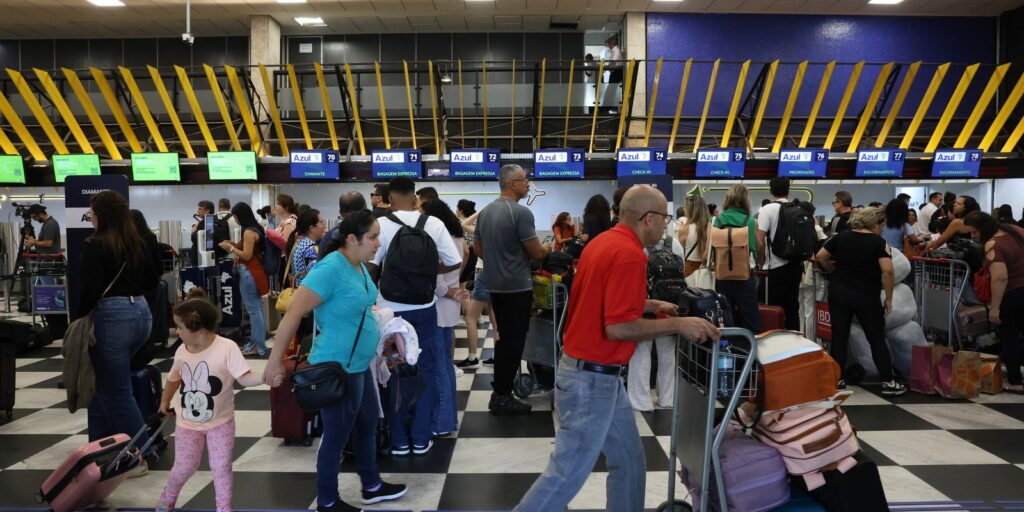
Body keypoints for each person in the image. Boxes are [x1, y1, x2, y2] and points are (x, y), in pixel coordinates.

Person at [514, 185, 719, 511]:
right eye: (665, 219)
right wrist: (680, 325)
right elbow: (619, 327)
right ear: (647, 218)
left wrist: (650, 304)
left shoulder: (604, 243)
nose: (667, 225)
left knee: (629, 460)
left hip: (599, 378)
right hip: (590, 381)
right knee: (566, 475)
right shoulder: (628, 255)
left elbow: (604, 300)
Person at [264, 210, 407, 512]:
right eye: (373, 237)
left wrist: (386, 338)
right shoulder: (330, 269)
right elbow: (292, 313)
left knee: (367, 424)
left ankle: (371, 485)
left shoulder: (358, 266)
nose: (378, 243)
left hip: (359, 365)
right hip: (338, 368)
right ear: (352, 239)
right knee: (336, 437)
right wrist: (275, 362)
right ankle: (327, 500)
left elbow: (364, 308)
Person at [369, 177, 462, 454]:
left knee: (395, 371)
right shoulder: (433, 224)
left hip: (391, 311)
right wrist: (427, 273)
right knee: (427, 369)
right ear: (414, 198)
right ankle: (421, 437)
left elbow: (372, 267)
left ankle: (398, 440)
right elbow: (454, 261)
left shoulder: (382, 226)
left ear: (391, 199)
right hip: (424, 309)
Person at [155, 298, 265, 512]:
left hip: (221, 423)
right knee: (184, 468)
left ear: (196, 327)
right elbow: (173, 379)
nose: (176, 332)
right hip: (187, 423)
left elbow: (245, 378)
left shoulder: (227, 348)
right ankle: (168, 498)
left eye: (179, 327)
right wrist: (165, 401)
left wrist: (266, 377)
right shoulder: (182, 351)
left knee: (221, 467)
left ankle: (224, 508)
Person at [75, 191, 158, 465]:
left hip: (112, 318)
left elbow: (88, 290)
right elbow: (153, 280)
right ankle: (100, 445)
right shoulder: (137, 243)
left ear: (100, 215)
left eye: (91, 214)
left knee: (118, 391)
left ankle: (142, 452)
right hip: (141, 314)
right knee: (104, 385)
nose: (90, 219)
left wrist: (78, 321)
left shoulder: (95, 244)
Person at [475, 164, 549, 415]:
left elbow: (478, 249)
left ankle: (501, 391)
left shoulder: (485, 213)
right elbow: (537, 253)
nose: (528, 184)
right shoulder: (521, 213)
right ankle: (502, 396)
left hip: (496, 285)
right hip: (517, 286)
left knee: (504, 338)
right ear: (511, 184)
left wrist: (497, 261)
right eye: (525, 180)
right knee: (513, 342)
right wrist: (550, 249)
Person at [815, 207, 906, 396]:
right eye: (881, 225)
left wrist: (833, 272)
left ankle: (837, 380)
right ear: (874, 224)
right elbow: (888, 270)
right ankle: (888, 382)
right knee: (876, 337)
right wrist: (888, 298)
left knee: (839, 335)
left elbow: (821, 256)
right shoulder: (878, 242)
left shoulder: (841, 237)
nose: (882, 228)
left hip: (839, 291)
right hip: (866, 294)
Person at [421, 198, 470, 435]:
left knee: (438, 365)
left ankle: (440, 423)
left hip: (440, 302)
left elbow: (436, 270)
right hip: (450, 306)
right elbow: (466, 255)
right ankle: (448, 420)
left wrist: (446, 289)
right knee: (446, 366)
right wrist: (457, 283)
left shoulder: (438, 234)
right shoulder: (457, 233)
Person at [962, 211, 1024, 393]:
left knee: (1010, 338)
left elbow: (1000, 278)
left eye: (974, 232)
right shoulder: (1015, 230)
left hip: (1013, 295)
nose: (972, 236)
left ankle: (1015, 381)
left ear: (983, 228)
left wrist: (994, 308)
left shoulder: (993, 245)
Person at [219, 203, 269, 358]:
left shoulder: (248, 232)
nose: (234, 219)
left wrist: (231, 248)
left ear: (240, 216)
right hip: (256, 272)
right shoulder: (256, 228)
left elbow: (246, 255)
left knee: (254, 311)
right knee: (256, 310)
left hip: (249, 273)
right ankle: (254, 343)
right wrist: (232, 244)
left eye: (235, 216)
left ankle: (258, 346)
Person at [714, 184, 763, 333]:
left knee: (726, 319)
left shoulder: (718, 220)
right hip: (744, 277)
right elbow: (757, 247)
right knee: (750, 321)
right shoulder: (749, 221)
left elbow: (710, 249)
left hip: (722, 277)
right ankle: (751, 353)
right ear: (745, 200)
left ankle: (727, 352)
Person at [457, 205, 499, 369]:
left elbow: (464, 224)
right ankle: (497, 356)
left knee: (470, 318)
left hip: (483, 275)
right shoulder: (498, 233)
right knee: (495, 321)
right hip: (496, 276)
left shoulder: (482, 231)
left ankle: (472, 358)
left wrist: (480, 211)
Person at [757, 177, 802, 331]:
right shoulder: (798, 208)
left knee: (773, 307)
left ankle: (774, 342)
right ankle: (795, 341)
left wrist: (760, 261)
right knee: (792, 306)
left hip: (774, 266)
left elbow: (760, 240)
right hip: (796, 265)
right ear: (788, 191)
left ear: (770, 191)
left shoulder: (767, 209)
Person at [285, 208, 326, 344]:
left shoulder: (298, 243)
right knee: (309, 340)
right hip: (309, 302)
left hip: (298, 297)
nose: (324, 226)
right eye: (321, 223)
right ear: (311, 228)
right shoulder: (311, 249)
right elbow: (317, 278)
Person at [678, 193, 709, 279]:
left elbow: (680, 254)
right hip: (707, 270)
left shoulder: (684, 229)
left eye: (686, 207)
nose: (684, 210)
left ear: (690, 210)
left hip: (689, 269)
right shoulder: (711, 228)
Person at [601, 36, 624, 114]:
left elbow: (613, 63)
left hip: (616, 73)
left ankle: (605, 109)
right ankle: (605, 108)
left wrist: (605, 67)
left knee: (610, 91)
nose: (608, 45)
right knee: (610, 91)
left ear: (611, 43)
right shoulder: (614, 50)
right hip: (615, 72)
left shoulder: (616, 50)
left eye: (608, 43)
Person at [189, 200, 214, 265]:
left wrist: (193, 231)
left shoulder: (206, 222)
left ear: (207, 211)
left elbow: (195, 239)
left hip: (201, 258)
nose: (198, 211)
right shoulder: (212, 220)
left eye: (200, 209)